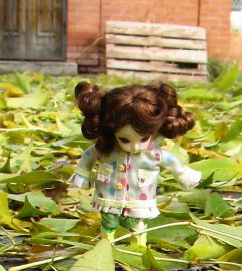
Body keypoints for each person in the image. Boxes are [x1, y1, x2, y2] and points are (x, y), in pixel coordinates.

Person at [70, 81, 201, 246]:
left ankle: (139, 245)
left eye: (143, 139)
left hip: (138, 198)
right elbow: (89, 156)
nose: (135, 147)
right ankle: (106, 244)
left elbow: (172, 163)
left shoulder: (153, 154)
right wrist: (82, 174)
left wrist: (184, 175)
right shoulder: (107, 148)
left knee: (136, 223)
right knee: (108, 221)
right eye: (124, 139)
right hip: (109, 196)